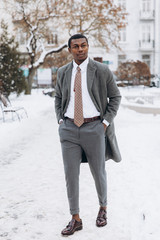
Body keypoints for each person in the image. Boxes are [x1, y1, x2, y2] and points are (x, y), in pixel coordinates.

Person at [55, 34, 122, 236]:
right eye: (75, 46)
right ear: (70, 50)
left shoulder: (101, 70)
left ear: (88, 47)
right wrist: (60, 120)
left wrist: (104, 123)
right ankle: (75, 218)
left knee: (98, 172)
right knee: (70, 175)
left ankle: (103, 208)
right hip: (68, 129)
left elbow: (115, 97)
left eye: (83, 45)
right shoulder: (63, 72)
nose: (80, 49)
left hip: (94, 128)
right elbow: (58, 96)